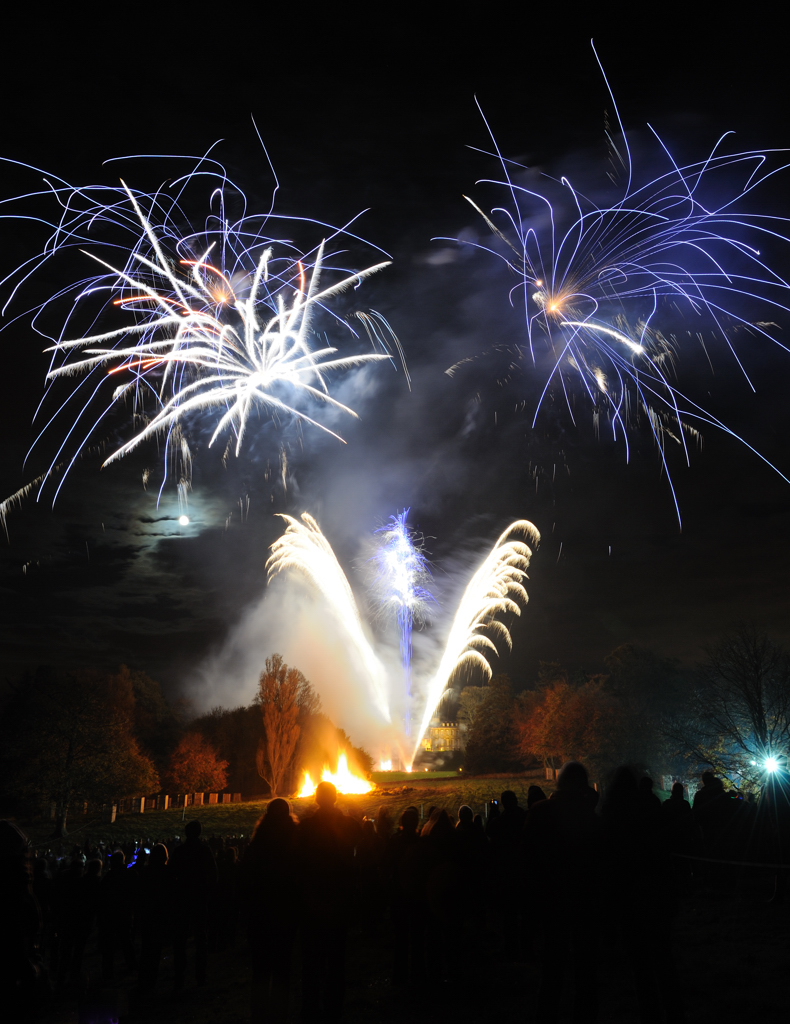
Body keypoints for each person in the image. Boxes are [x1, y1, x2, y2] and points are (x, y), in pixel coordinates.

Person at [525, 761, 601, 1023]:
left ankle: (546, 1014)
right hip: (582, 898)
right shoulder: (587, 814)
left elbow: (529, 859)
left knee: (552, 966)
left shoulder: (540, 812)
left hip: (551, 898)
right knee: (585, 967)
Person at [298, 782, 361, 1024]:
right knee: (336, 960)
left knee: (312, 960)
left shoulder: (305, 828)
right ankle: (335, 1009)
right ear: (335, 798)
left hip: (312, 902)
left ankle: (310, 1009)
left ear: (316, 799)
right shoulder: (350, 825)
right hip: (339, 901)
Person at [241, 799, 299, 1024]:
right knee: (283, 965)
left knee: (261, 967)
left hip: (262, 912)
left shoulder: (259, 842)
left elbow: (246, 877)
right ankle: (279, 1013)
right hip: (285, 911)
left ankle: (259, 1013)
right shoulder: (295, 840)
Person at [169, 820, 217, 990]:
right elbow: (213, 874)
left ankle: (179, 976)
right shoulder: (204, 850)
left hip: (183, 898)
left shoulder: (180, 851)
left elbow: (171, 874)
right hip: (199, 897)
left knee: (180, 939)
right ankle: (200, 976)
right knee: (200, 937)